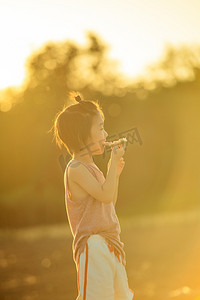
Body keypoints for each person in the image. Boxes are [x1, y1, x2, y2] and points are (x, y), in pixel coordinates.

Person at [52, 91, 134, 299]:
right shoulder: (76, 168)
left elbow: (109, 202)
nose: (106, 134)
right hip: (94, 245)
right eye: (100, 128)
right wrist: (113, 162)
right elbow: (106, 196)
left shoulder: (91, 167)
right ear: (82, 135)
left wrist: (113, 173)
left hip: (111, 244)